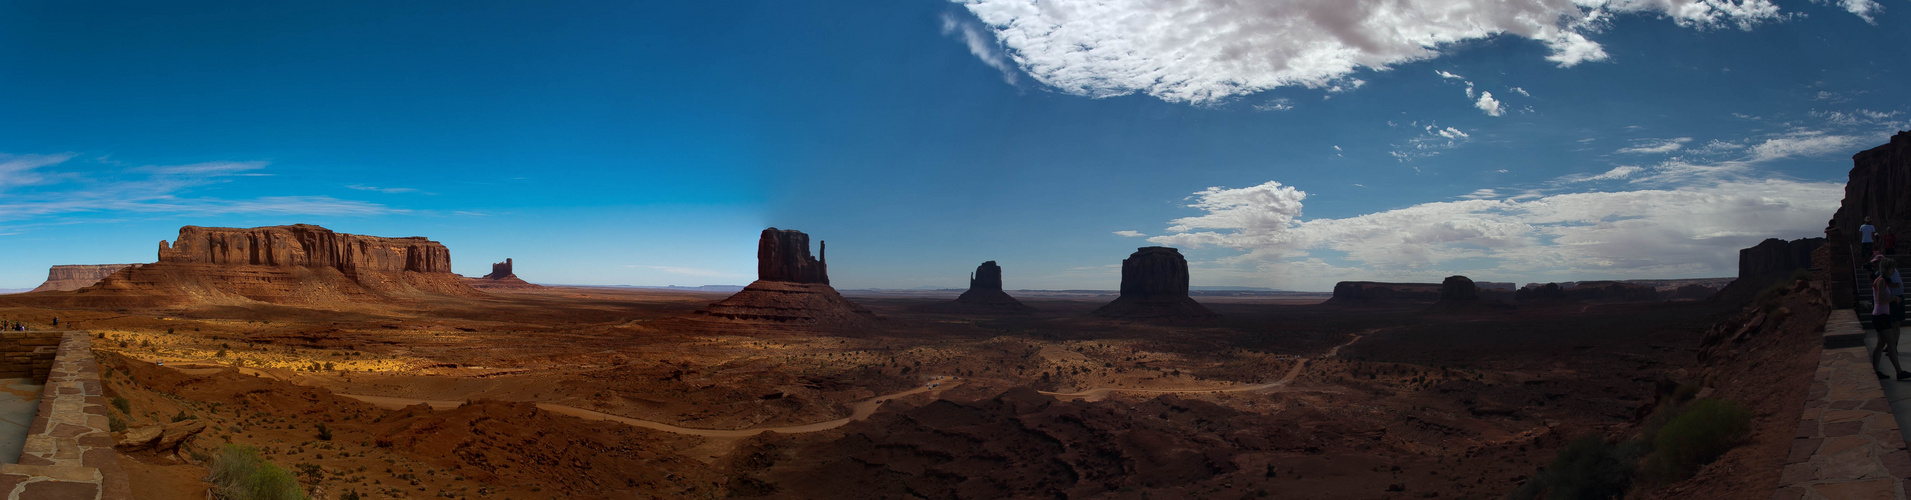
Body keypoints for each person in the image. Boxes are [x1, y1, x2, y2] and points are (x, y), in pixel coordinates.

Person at [1873, 258, 1910, 380]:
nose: (1893, 270)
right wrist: (1893, 298)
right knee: (1891, 343)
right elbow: (1880, 300)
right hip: (1880, 316)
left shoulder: (1883, 280)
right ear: (1887, 269)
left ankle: (1875, 370)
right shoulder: (1881, 281)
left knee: (1880, 345)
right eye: (1892, 268)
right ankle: (1899, 372)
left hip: (1882, 316)